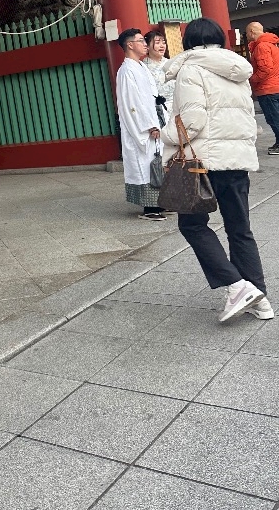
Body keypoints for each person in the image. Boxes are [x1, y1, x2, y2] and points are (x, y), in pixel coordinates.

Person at [162, 17, 272, 323]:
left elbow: (192, 121)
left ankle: (238, 286)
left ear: (188, 42)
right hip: (236, 160)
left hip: (204, 163)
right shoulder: (237, 69)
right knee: (240, 229)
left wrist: (165, 136)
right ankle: (260, 300)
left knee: (192, 225)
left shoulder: (191, 69)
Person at [116, 28, 166, 220]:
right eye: (141, 41)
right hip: (141, 126)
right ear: (130, 45)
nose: (145, 44)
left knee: (155, 163)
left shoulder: (140, 67)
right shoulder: (126, 70)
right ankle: (150, 207)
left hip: (152, 119)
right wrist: (149, 125)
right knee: (144, 165)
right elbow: (132, 103)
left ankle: (160, 202)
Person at [245, 21, 279, 155]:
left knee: (273, 118)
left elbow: (265, 69)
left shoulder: (261, 46)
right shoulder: (272, 44)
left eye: (247, 33)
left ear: (252, 31)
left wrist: (251, 79)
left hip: (268, 88)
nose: (247, 36)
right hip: (275, 86)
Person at [143, 28, 174, 126]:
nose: (162, 45)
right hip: (159, 112)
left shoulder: (172, 63)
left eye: (163, 42)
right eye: (157, 42)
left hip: (178, 108)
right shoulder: (143, 67)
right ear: (147, 46)